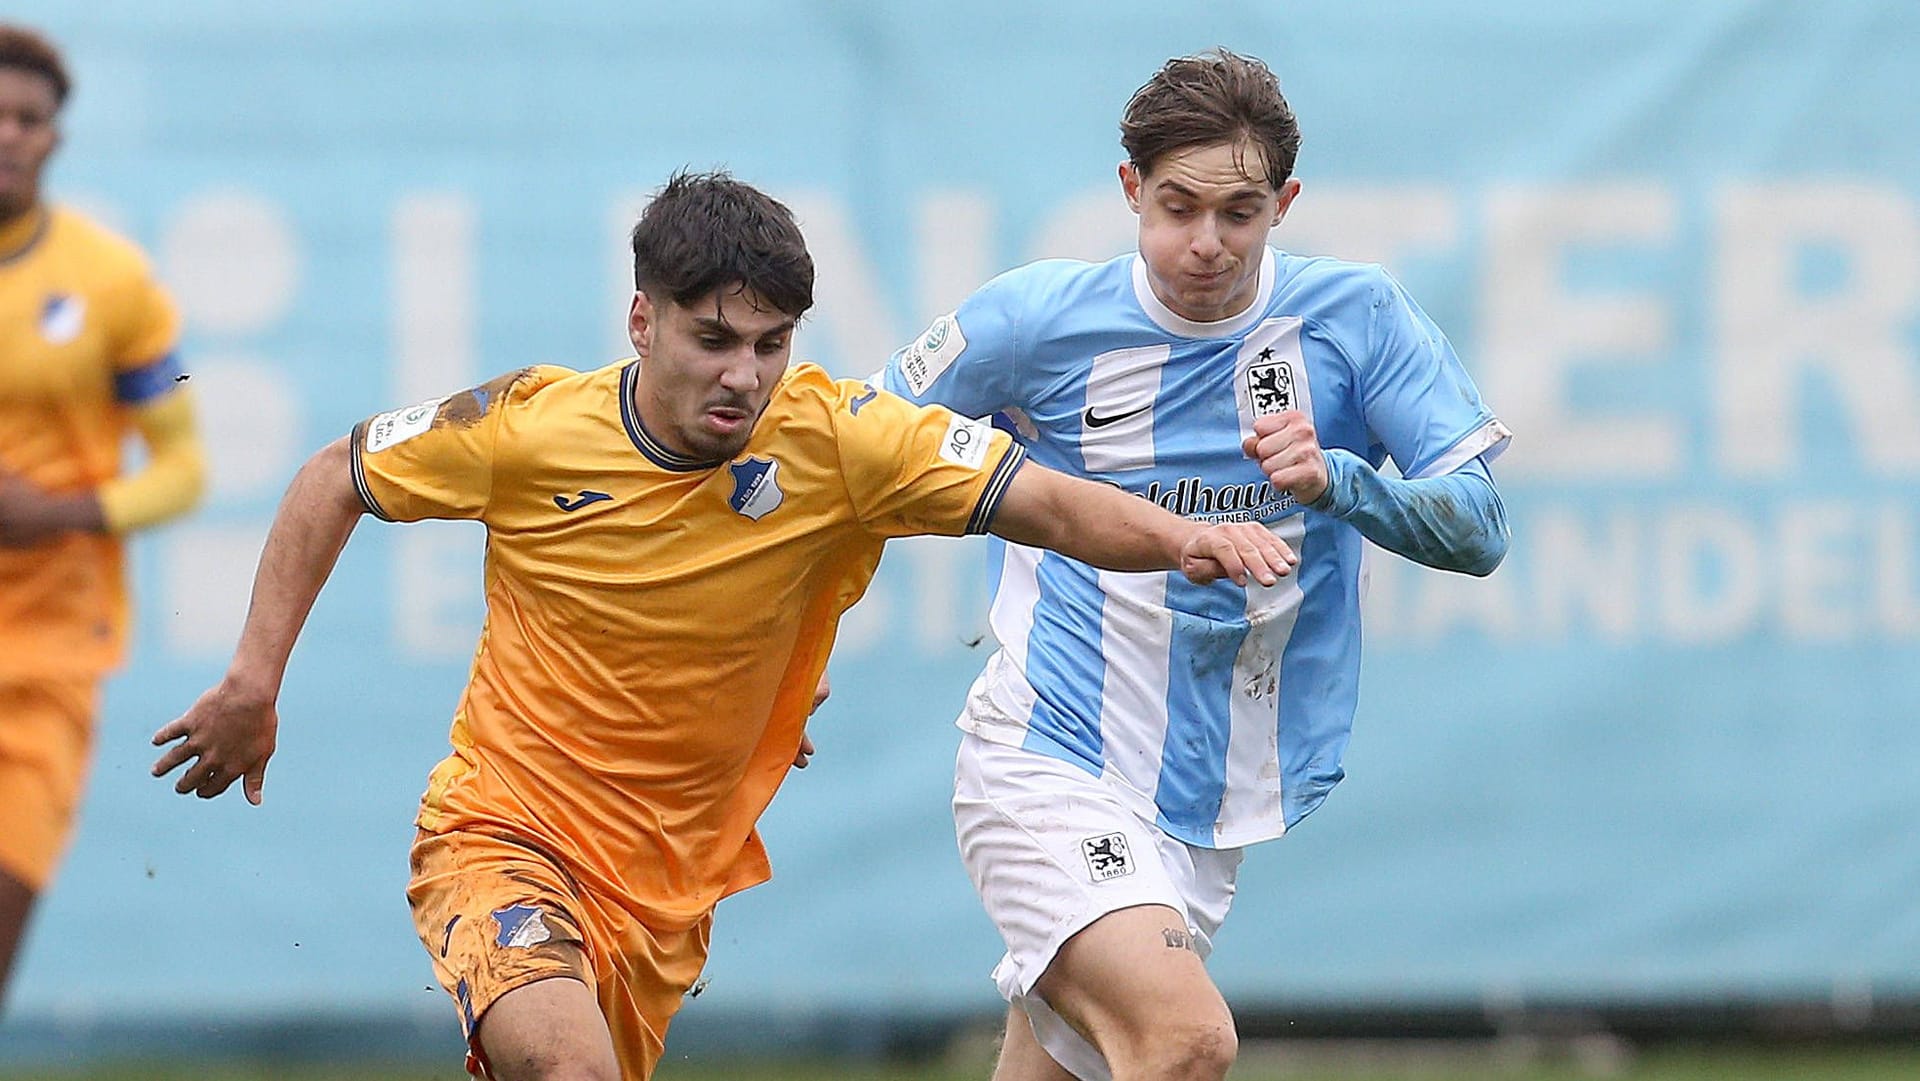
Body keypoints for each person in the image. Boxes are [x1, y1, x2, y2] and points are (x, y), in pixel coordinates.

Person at [150, 170, 1293, 1081]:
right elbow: (332, 474)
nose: (745, 374)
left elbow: (1037, 496)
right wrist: (255, 679)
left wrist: (1178, 536)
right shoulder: (527, 426)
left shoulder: (840, 440)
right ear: (641, 319)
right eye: (713, 338)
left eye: (772, 342)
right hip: (501, 833)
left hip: (658, 896)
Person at [880, 48, 1513, 1081]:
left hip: (1212, 794)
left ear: (1285, 203)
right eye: (1179, 208)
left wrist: (1341, 481)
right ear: (1129, 189)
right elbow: (851, 453)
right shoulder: (1034, 320)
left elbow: (1480, 527)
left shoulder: (1354, 319)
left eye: (1240, 212)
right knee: (1186, 1042)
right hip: (1050, 750)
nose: (1208, 242)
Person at [0, 24, 206, 1012]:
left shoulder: (113, 284)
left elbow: (183, 466)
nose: (5, 135)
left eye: (27, 119)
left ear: (54, 139)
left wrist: (58, 511)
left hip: (43, 657)